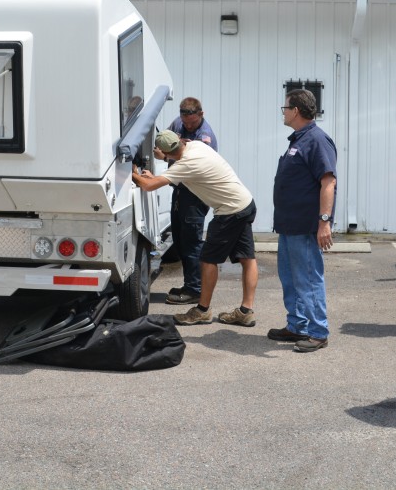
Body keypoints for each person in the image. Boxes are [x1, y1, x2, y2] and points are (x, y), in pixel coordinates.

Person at [133, 130, 258, 328]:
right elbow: (174, 165)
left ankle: (202, 310)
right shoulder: (197, 146)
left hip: (229, 212)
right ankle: (245, 311)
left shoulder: (185, 164)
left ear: (166, 151)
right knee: (247, 258)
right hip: (245, 202)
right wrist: (158, 170)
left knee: (208, 260)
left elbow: (148, 186)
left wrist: (132, 172)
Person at [270, 89, 337, 353]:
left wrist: (324, 222)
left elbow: (328, 182)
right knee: (290, 278)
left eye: (285, 108)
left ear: (296, 110)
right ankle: (297, 325)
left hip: (304, 225)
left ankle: (318, 332)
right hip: (289, 225)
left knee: (308, 279)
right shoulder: (299, 139)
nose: (283, 112)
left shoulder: (317, 140)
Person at [159, 98, 218, 306]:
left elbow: (189, 163)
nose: (188, 126)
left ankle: (195, 289)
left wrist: (166, 157)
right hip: (181, 192)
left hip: (196, 195)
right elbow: (164, 141)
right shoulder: (178, 123)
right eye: (186, 123)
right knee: (180, 240)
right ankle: (189, 285)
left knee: (192, 242)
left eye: (192, 123)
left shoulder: (205, 136)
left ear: (201, 114)